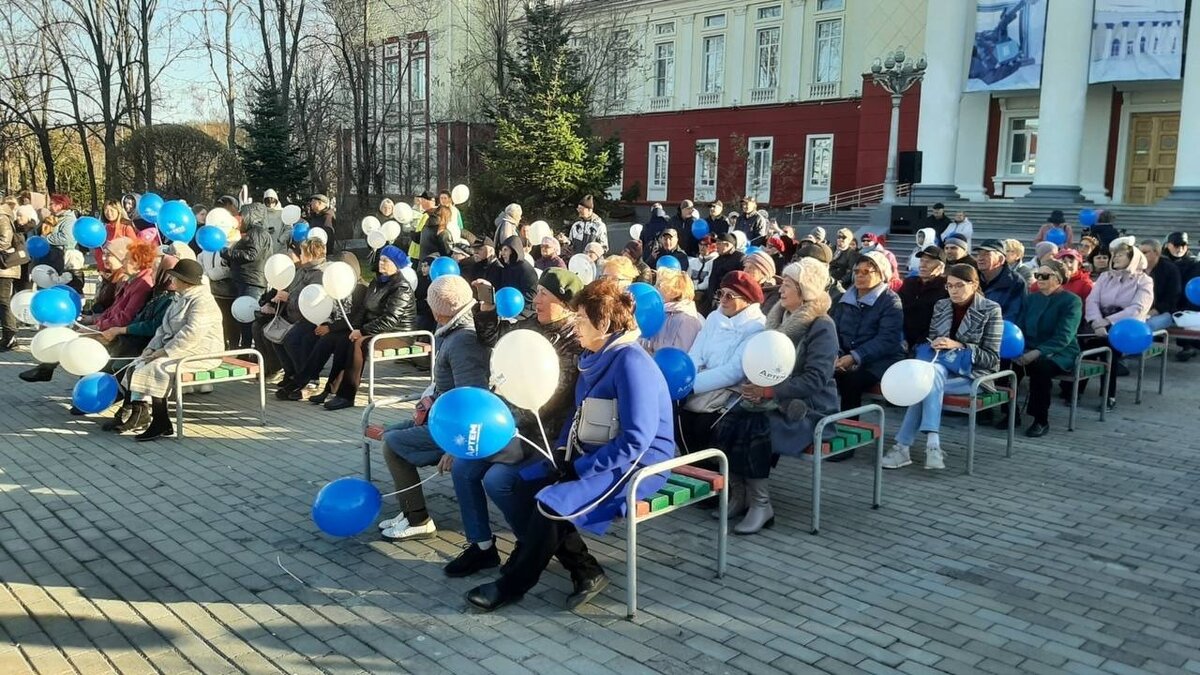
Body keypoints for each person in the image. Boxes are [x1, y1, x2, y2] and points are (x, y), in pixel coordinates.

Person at [465, 279, 675, 612]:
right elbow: (576, 418)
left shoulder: (631, 363)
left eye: (580, 319)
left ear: (603, 324)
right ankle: (585, 570)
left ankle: (512, 585)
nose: (575, 325)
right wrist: (563, 454)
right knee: (521, 483)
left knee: (552, 503)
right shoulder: (595, 358)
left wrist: (580, 468)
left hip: (638, 466)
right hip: (599, 454)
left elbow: (636, 439)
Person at [446, 269, 585, 576]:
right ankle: (482, 547)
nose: (535, 300)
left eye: (544, 296)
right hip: (509, 427)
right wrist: (487, 307)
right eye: (536, 293)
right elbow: (493, 339)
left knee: (497, 479)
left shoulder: (573, 340)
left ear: (564, 303)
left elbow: (551, 400)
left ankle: (531, 545)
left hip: (541, 436)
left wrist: (496, 426)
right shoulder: (532, 326)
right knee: (463, 467)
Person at [709, 259, 839, 534]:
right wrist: (752, 386)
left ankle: (761, 504)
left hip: (808, 408)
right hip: (772, 401)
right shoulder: (777, 317)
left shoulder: (822, 326)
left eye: (789, 284)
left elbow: (816, 379)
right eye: (783, 282)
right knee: (729, 419)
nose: (781, 288)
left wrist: (769, 391)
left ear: (805, 291)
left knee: (755, 428)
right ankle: (740, 494)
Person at [380, 275, 489, 541]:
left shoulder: (463, 340)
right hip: (439, 417)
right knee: (389, 435)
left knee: (394, 444)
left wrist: (455, 448)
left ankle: (418, 519)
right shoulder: (452, 331)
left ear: (438, 310)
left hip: (455, 429)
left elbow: (472, 397)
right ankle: (408, 510)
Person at [883, 264, 1002, 470]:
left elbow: (991, 358)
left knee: (925, 385)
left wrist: (960, 346)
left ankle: (903, 447)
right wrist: (934, 343)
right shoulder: (942, 305)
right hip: (940, 369)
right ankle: (932, 444)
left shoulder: (991, 309)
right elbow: (932, 337)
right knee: (931, 378)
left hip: (974, 375)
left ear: (974, 285)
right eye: (949, 286)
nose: (954, 291)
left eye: (959, 286)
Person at [121, 260, 226, 441]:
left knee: (157, 367)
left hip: (203, 353)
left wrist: (165, 352)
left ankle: (161, 421)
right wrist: (151, 348)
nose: (171, 279)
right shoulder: (180, 297)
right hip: (181, 350)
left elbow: (192, 334)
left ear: (185, 281)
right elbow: (163, 329)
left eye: (175, 276)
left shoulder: (203, 301)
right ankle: (142, 415)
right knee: (139, 363)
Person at [678, 271, 766, 454]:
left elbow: (733, 372)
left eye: (730, 295)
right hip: (699, 386)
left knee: (703, 428)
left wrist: (692, 386)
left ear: (747, 301)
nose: (722, 300)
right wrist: (686, 379)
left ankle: (710, 477)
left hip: (727, 395)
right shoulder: (713, 318)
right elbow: (696, 353)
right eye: (720, 293)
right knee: (678, 418)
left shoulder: (756, 328)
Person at [320, 247, 417, 410]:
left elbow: (390, 319)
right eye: (381, 259)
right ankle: (331, 389)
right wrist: (355, 328)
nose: (381, 263)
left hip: (399, 334)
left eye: (386, 261)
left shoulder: (401, 287)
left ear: (396, 265)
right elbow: (363, 310)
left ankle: (347, 395)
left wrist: (363, 331)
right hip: (378, 331)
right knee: (345, 340)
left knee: (359, 344)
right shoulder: (376, 282)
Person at [1010, 260, 1082, 437]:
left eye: (1044, 275)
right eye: (1037, 275)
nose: (1039, 279)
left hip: (1060, 352)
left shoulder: (1071, 301)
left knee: (1040, 368)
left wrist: (1037, 352)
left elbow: (1063, 336)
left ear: (1058, 279)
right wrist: (1020, 349)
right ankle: (1009, 412)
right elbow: (1020, 327)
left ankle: (1040, 420)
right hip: (1029, 348)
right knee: (1007, 363)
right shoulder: (1032, 298)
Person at [1083, 237, 1153, 409]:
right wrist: (1095, 321)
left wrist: (1107, 322)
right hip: (1098, 322)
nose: (1115, 259)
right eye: (1114, 255)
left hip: (1126, 328)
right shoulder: (1105, 277)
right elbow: (1092, 301)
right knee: (1085, 344)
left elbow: (1138, 308)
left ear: (1132, 258)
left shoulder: (1144, 280)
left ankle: (1109, 395)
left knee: (1109, 349)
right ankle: (1075, 388)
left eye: (1120, 255)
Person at [831, 251, 904, 416]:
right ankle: (819, 426)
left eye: (866, 272)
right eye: (856, 271)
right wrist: (837, 354)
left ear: (881, 274)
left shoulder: (890, 301)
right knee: (821, 373)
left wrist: (855, 357)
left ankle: (849, 429)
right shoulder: (844, 298)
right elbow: (834, 331)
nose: (859, 276)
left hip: (880, 360)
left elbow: (887, 340)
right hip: (845, 356)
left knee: (851, 381)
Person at [253, 239, 327, 381]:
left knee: (289, 339)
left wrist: (289, 297)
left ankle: (302, 375)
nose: (301, 256)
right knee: (268, 331)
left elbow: (311, 300)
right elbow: (289, 288)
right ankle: (289, 371)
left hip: (308, 318)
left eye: (303, 253)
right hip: (292, 314)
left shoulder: (318, 274)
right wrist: (275, 299)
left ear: (311, 255)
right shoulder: (302, 270)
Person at [223, 202, 271, 349]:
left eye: (243, 217)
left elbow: (251, 255)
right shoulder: (253, 233)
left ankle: (249, 352)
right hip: (246, 280)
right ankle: (245, 350)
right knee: (243, 320)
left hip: (252, 282)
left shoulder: (257, 233)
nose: (240, 220)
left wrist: (228, 253)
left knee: (248, 319)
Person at [898, 246, 948, 351]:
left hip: (929, 342)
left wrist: (921, 342)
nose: (922, 265)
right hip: (902, 338)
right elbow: (896, 310)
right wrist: (901, 337)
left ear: (940, 266)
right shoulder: (909, 283)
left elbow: (942, 322)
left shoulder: (946, 287)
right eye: (921, 261)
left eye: (928, 262)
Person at [641, 269, 703, 355]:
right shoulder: (662, 311)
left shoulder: (687, 320)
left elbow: (680, 353)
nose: (655, 288)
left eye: (660, 285)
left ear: (673, 291)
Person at [1163, 232, 1200, 360]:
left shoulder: (1194, 263)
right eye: (1176, 245)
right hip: (1166, 300)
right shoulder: (1162, 262)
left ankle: (1188, 345)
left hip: (1186, 302)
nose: (1180, 248)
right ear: (1168, 245)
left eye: (1183, 245)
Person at [974, 239, 1027, 320]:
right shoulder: (971, 279)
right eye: (979, 254)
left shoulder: (1015, 282)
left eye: (987, 254)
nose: (980, 258)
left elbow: (1013, 315)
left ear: (1001, 259)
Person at [1140, 239, 1181, 332]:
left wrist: (1153, 311)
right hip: (1140, 311)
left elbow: (1172, 297)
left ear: (1157, 252)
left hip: (1165, 312)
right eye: (1139, 252)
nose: (1141, 256)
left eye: (1144, 252)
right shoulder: (1137, 269)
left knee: (1146, 325)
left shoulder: (1170, 269)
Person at [701, 233, 745, 314]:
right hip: (717, 297)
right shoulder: (716, 261)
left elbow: (742, 282)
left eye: (718, 244)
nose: (716, 246)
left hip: (732, 297)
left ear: (727, 244)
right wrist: (714, 298)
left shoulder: (740, 258)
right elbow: (712, 281)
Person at [0, 202, 23, 350]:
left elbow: (5, 239)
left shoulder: (2, 216)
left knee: (3, 300)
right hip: (4, 267)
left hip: (4, 267)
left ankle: (10, 336)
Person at [96, 200, 139, 273]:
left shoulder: (126, 227)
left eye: (112, 210)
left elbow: (135, 248)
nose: (109, 213)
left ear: (118, 211)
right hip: (108, 268)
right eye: (106, 210)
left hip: (123, 268)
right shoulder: (104, 229)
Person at [742, 249, 781, 313]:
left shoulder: (774, 293)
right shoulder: (741, 286)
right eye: (745, 267)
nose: (746, 271)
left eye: (751, 268)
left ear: (764, 272)